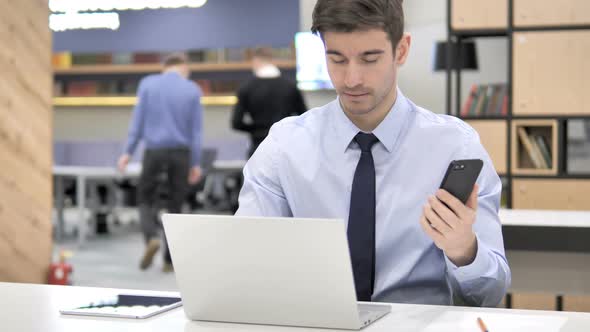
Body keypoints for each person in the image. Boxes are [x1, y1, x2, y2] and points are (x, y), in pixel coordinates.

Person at [235, 0, 510, 306]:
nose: (351, 79)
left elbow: (489, 295)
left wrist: (464, 250)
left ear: (401, 50)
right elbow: (247, 263)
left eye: (369, 59)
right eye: (337, 59)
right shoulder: (283, 146)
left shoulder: (455, 147)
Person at [118, 52, 203, 272]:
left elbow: (137, 122)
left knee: (145, 197)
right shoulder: (192, 89)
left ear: (165, 67)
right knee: (175, 205)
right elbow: (196, 132)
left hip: (154, 151)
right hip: (181, 154)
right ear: (182, 67)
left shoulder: (147, 84)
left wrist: (127, 152)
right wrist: (196, 163)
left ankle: (151, 237)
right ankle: (168, 261)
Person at [231, 47, 307, 157]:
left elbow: (236, 123)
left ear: (256, 61)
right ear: (271, 60)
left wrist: (256, 130)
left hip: (259, 148)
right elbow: (304, 117)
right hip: (286, 147)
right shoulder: (290, 87)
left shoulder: (246, 88)